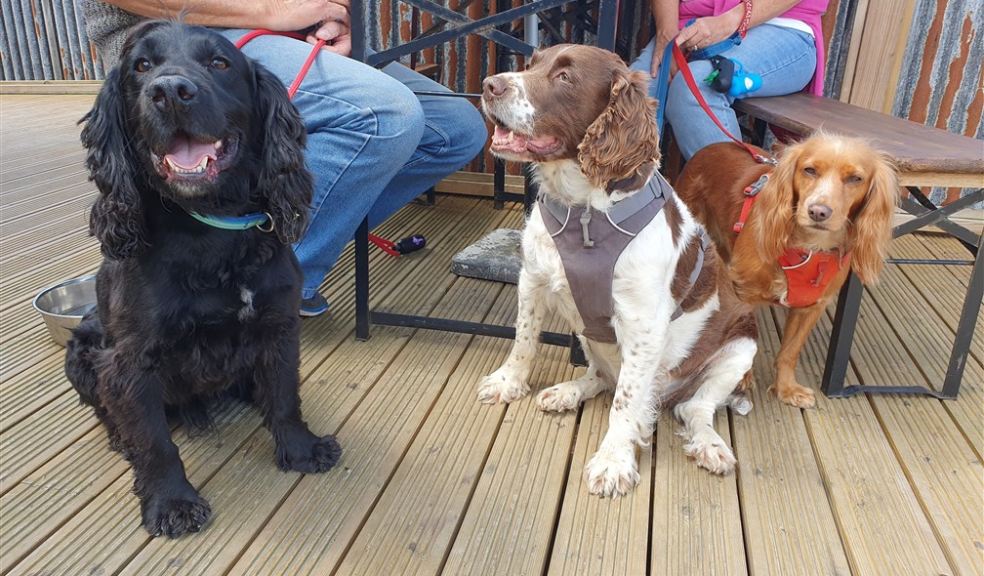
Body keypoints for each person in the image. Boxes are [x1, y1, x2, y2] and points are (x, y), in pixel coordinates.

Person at [81, 0, 488, 316]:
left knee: (456, 131)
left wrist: (334, 18)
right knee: (385, 114)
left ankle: (277, 245)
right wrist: (278, 11)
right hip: (182, 35)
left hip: (288, 30)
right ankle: (272, 290)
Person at [631, 0, 828, 159]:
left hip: (783, 24)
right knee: (630, 97)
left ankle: (736, 203)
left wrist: (729, 22)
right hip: (694, 19)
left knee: (696, 87)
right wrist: (667, 34)